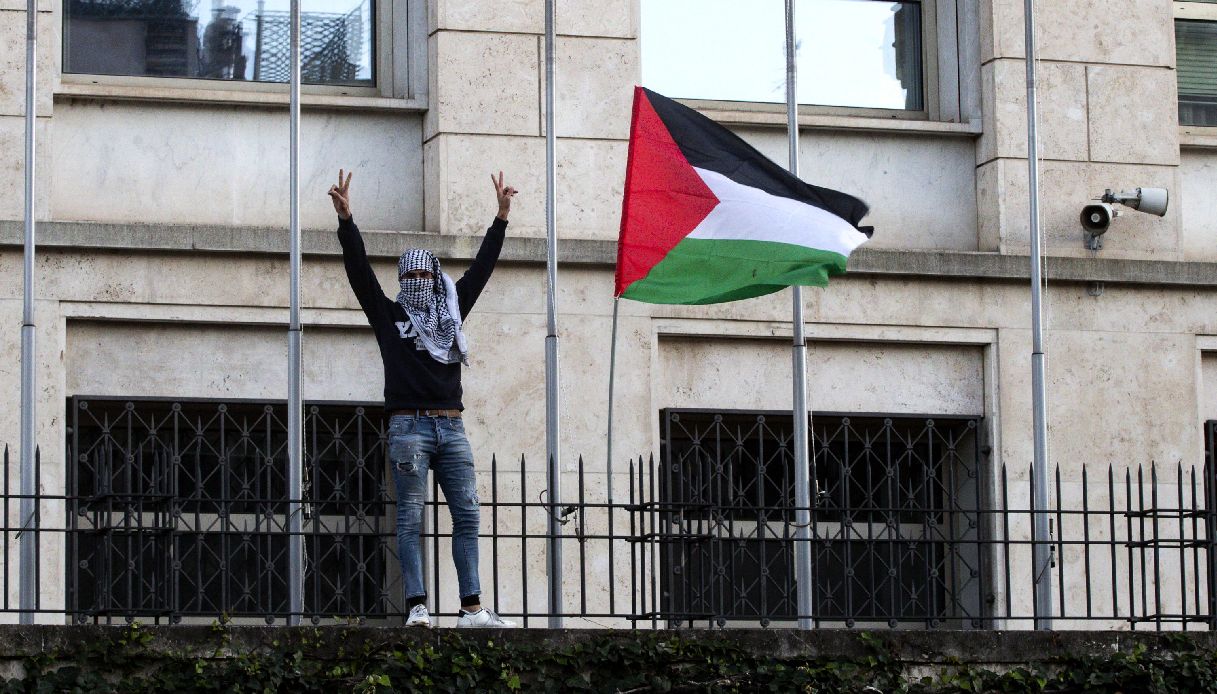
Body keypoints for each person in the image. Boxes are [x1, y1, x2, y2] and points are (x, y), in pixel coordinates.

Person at [328, 168, 518, 628]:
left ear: (434, 277)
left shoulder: (451, 317)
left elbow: (480, 272)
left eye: (422, 271)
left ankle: (472, 608)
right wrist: (347, 221)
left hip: (451, 425)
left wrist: (501, 219)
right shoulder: (389, 315)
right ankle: (417, 606)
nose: (415, 278)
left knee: (468, 514)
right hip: (408, 427)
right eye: (407, 272)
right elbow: (359, 274)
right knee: (410, 518)